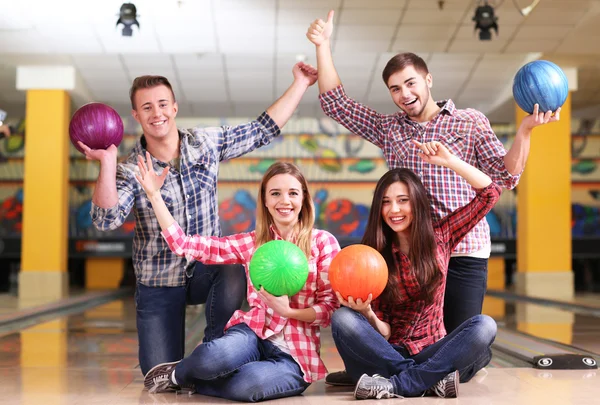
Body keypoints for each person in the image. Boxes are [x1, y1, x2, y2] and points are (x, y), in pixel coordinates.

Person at [306, 11, 560, 340]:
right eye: (395, 88)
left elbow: (505, 177)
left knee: (459, 344)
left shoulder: (469, 121)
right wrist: (323, 45)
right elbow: (336, 105)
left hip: (464, 248)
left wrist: (525, 132)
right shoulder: (389, 129)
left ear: (428, 80)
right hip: (415, 255)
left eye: (410, 83)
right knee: (413, 341)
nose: (404, 93)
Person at [81, 62, 318, 376]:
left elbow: (262, 129)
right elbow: (105, 219)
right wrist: (108, 164)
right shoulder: (130, 169)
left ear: (174, 107)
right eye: (147, 107)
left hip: (208, 269)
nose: (157, 113)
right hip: (159, 280)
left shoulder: (205, 143)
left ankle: (215, 347)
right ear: (136, 116)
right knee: (160, 375)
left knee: (233, 266)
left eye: (163, 104)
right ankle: (191, 363)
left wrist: (301, 82)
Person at [136, 160, 340, 402]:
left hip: (294, 356)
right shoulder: (252, 244)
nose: (284, 201)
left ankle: (200, 378)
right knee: (212, 357)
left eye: (293, 193)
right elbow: (184, 244)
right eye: (275, 193)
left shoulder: (323, 243)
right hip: (253, 334)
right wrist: (154, 195)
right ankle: (179, 374)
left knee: (247, 386)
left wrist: (289, 312)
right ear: (265, 200)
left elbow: (329, 309)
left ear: (304, 199)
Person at [332, 140, 501, 399]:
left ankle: (399, 384)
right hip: (385, 352)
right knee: (342, 319)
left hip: (429, 351)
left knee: (484, 326)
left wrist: (450, 161)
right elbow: (384, 332)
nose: (394, 210)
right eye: (386, 202)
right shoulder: (371, 254)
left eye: (403, 200)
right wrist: (367, 313)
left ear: (417, 203)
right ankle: (425, 379)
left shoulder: (441, 235)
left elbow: (490, 193)